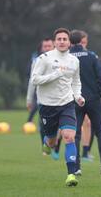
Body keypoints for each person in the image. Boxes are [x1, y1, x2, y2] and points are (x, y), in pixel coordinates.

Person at [31, 28, 85, 186]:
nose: (62, 41)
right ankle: (48, 143)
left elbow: (76, 82)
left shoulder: (74, 61)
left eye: (65, 39)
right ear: (54, 42)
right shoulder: (44, 58)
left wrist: (78, 96)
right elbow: (34, 80)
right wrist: (55, 75)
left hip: (67, 104)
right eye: (59, 39)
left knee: (69, 136)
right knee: (53, 141)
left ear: (69, 42)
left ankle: (71, 174)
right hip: (47, 106)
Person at [69, 30, 101, 176]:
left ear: (70, 41)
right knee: (100, 132)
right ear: (82, 41)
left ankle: (76, 168)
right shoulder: (92, 56)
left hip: (75, 100)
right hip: (94, 100)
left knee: (75, 134)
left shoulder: (67, 57)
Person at [26, 37, 54, 153]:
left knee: (58, 125)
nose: (47, 48)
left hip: (59, 97)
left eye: (49, 46)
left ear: (53, 46)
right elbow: (32, 81)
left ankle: (54, 146)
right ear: (42, 48)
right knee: (43, 124)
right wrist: (29, 99)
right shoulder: (37, 61)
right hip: (42, 97)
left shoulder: (61, 59)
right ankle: (45, 148)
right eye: (45, 46)